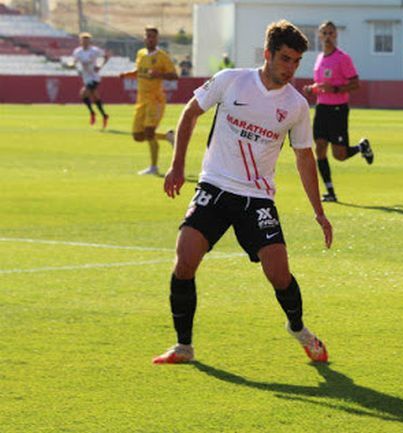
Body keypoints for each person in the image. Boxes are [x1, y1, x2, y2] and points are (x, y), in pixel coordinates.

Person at [152, 19, 332, 365]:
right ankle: (184, 347)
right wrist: (177, 166)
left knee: (279, 275)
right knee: (185, 260)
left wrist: (319, 211)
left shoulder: (295, 106)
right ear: (267, 54)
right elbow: (190, 114)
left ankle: (298, 329)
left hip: (257, 199)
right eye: (285, 59)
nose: (291, 68)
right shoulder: (231, 80)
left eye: (296, 61)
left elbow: (304, 158)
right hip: (215, 186)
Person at [302, 20, 373, 203]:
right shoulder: (319, 58)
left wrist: (335, 89)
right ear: (319, 35)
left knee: (339, 155)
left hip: (338, 110)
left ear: (336, 35)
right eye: (324, 33)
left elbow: (355, 83)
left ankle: (361, 147)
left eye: (331, 33)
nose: (327, 36)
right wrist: (312, 89)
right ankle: (330, 192)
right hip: (322, 108)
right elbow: (322, 85)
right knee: (319, 149)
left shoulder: (343, 58)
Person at [119, 26, 177, 176]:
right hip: (141, 100)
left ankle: (154, 167)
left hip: (155, 99)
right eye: (147, 36)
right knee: (138, 136)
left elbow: (174, 76)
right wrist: (127, 74)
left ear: (157, 39)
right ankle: (167, 137)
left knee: (149, 132)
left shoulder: (162, 56)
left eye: (153, 36)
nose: (150, 39)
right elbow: (139, 71)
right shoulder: (141, 54)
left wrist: (159, 74)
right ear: (144, 38)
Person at [72, 32, 110, 128]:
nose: (85, 42)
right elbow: (74, 62)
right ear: (80, 41)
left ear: (90, 41)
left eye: (87, 41)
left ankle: (92, 113)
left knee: (83, 93)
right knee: (95, 97)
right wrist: (71, 65)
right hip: (86, 77)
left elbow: (106, 56)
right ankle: (104, 115)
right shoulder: (77, 52)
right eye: (83, 40)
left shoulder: (95, 50)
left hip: (94, 77)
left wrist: (100, 66)